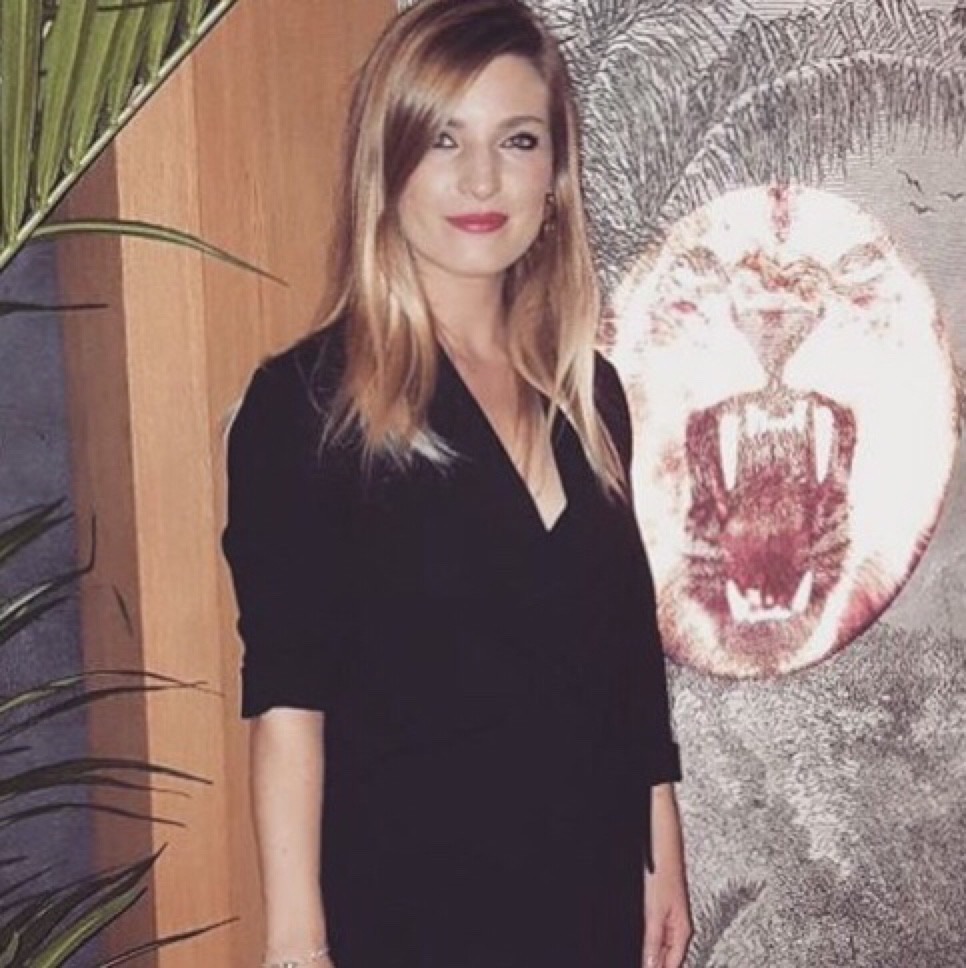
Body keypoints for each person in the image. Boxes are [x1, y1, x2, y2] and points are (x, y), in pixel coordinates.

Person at [222, 1, 690, 965]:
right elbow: (287, 699)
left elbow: (623, 652)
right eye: (444, 139)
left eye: (517, 140)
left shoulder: (588, 392)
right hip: (412, 904)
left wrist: (662, 841)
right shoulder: (308, 404)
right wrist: (296, 942)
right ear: (387, 163)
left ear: (556, 176)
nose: (483, 180)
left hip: (592, 888)